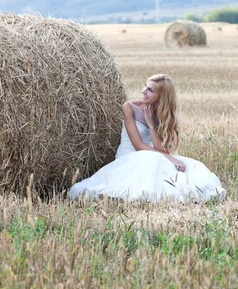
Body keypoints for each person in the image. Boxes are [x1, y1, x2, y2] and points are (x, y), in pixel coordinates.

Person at [69, 74, 226, 203]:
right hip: (131, 156)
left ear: (161, 96)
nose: (144, 91)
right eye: (145, 86)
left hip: (155, 156)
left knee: (193, 167)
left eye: (150, 90)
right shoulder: (129, 107)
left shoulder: (164, 114)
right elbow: (138, 145)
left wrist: (152, 124)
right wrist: (170, 159)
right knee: (155, 161)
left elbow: (161, 149)